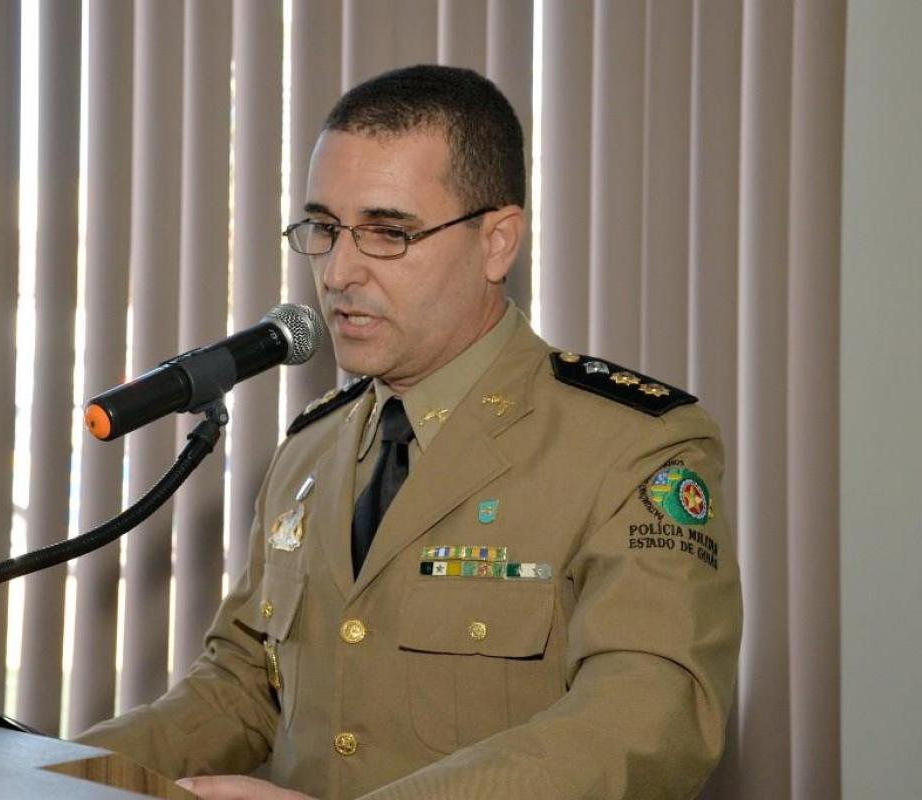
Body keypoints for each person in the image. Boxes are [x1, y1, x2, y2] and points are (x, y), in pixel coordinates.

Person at [76, 64, 741, 800]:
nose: (338, 272)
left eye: (388, 233)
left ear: (498, 242)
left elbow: (646, 720)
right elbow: (241, 687)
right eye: (324, 229)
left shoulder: (631, 448)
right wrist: (53, 773)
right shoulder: (312, 447)